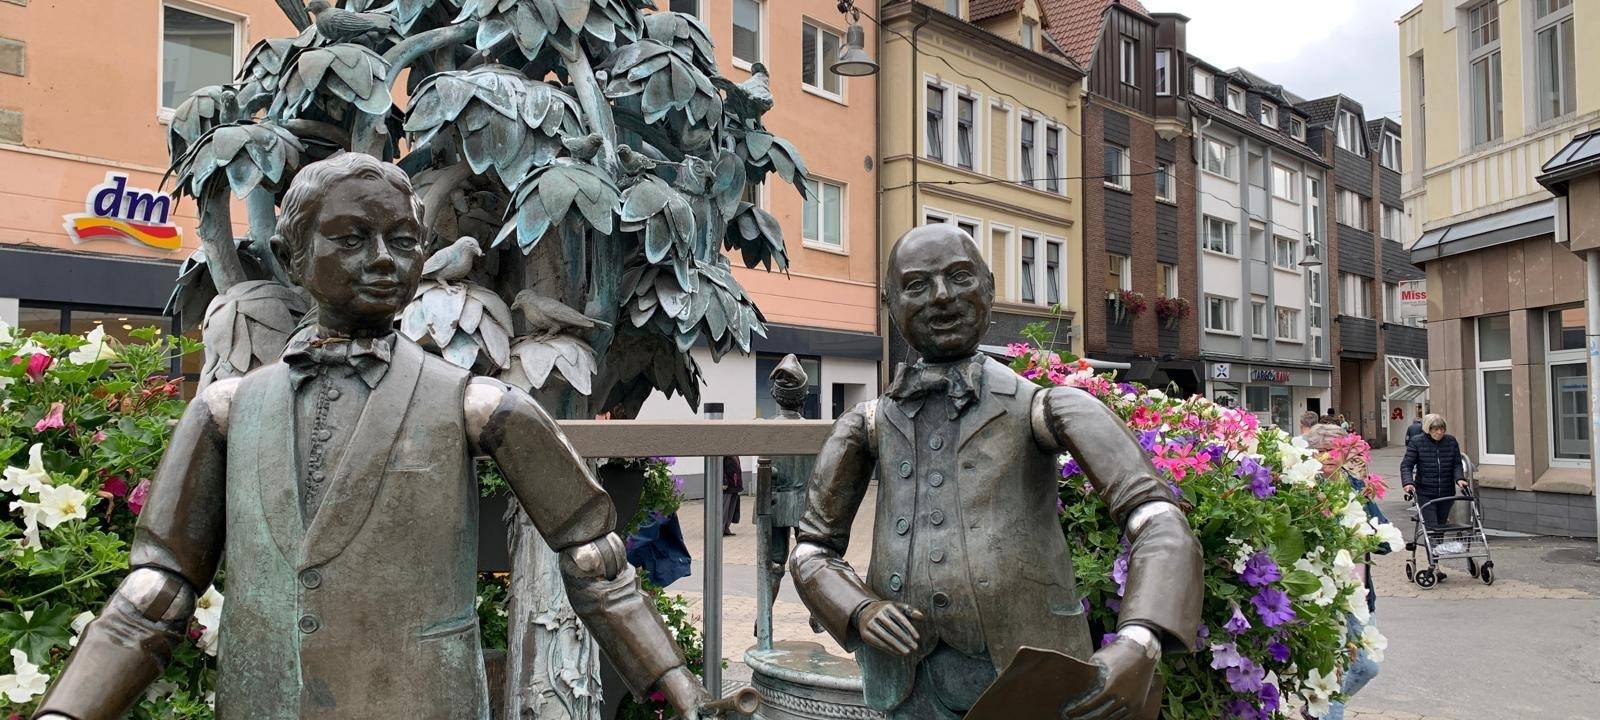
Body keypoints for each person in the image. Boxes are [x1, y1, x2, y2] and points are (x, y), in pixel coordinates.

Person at [31, 154, 713, 719]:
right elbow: (156, 593)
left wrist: (681, 693)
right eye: (351, 238)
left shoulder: (478, 406)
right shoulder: (225, 412)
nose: (383, 259)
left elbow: (596, 561)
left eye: (404, 241)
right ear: (291, 258)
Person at [791, 225, 1202, 719]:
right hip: (906, 684)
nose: (941, 297)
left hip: (1032, 675)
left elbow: (1159, 519)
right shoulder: (867, 423)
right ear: (891, 303)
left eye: (959, 277)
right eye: (916, 285)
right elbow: (812, 549)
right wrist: (858, 608)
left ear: (989, 288)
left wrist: (1141, 640)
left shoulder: (1046, 407)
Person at [1303, 426, 1391, 720]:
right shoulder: (1304, 489)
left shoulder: (1356, 487)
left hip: (1358, 594)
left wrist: (1367, 538)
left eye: (1334, 450)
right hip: (1322, 596)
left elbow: (1384, 536)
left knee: (1367, 666)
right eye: (1321, 451)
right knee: (1333, 672)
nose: (1328, 457)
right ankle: (1324, 705)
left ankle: (1317, 703)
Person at [1400, 413, 1468, 532]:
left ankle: (1438, 544)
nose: (1439, 432)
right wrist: (1408, 482)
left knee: (1441, 525)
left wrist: (1459, 478)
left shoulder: (1451, 441)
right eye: (1435, 429)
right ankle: (1433, 543)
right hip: (1425, 492)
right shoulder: (1417, 442)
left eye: (1442, 429)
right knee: (1432, 527)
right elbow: (1406, 465)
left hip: (1447, 491)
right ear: (1428, 429)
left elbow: (1457, 464)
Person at [721, 454, 743, 536]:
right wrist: (724, 481)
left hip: (735, 484)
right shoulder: (724, 453)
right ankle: (720, 529)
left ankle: (726, 528)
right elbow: (720, 468)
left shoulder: (735, 454)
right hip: (727, 485)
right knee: (724, 508)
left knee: (731, 508)